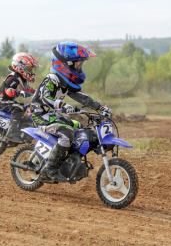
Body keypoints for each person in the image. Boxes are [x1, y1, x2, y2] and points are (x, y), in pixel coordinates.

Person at [31, 42, 111, 181]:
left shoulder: (65, 82)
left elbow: (82, 97)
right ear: (65, 64)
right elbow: (45, 98)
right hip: (40, 114)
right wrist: (62, 105)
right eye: (78, 64)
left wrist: (100, 108)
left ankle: (68, 162)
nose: (80, 68)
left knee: (79, 128)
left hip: (53, 115)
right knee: (66, 134)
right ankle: (49, 169)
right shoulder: (52, 79)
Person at [0, 52, 38, 143]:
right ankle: (11, 133)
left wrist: (38, 92)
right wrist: (18, 92)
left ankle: (23, 129)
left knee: (28, 107)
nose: (30, 72)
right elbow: (8, 90)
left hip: (10, 101)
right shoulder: (13, 78)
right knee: (18, 108)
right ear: (20, 66)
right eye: (29, 69)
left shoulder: (22, 79)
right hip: (2, 100)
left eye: (31, 69)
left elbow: (29, 90)